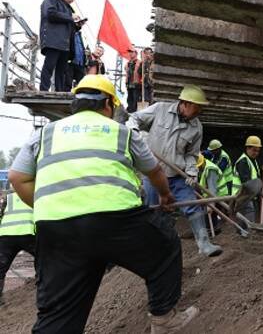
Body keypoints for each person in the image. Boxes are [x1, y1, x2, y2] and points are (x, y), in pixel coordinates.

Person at [8, 75, 198, 332]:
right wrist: (165, 196)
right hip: (117, 221)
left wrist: (49, 206)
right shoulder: (120, 132)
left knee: (59, 313)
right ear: (108, 104)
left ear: (75, 103)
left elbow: (17, 177)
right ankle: (164, 319)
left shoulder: (45, 134)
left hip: (56, 229)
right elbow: (155, 173)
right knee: (166, 246)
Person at [127, 84, 222, 257]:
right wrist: (133, 130)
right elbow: (134, 118)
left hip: (177, 175)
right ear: (184, 103)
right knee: (153, 209)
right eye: (197, 106)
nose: (199, 110)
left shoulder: (196, 127)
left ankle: (204, 244)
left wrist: (192, 172)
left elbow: (192, 155)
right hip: (153, 174)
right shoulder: (160, 110)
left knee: (192, 205)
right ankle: (153, 247)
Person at [39, 0, 85, 92]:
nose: (73, 0)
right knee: (49, 66)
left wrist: (77, 25)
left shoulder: (69, 8)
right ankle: (43, 90)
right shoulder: (51, 0)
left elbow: (69, 27)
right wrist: (70, 17)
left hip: (66, 44)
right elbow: (51, 14)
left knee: (62, 70)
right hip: (53, 40)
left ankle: (59, 91)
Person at [0, 190, 35, 306]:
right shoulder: (35, 193)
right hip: (27, 234)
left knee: (1, 268)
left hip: (6, 235)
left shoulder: (8, 197)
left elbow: (1, 214)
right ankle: (40, 286)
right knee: (43, 259)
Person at [232, 136, 263, 222]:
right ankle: (247, 233)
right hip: (242, 195)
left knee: (245, 218)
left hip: (248, 194)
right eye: (254, 150)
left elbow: (255, 178)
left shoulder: (252, 160)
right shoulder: (243, 162)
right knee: (248, 216)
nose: (256, 153)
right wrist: (258, 192)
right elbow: (247, 182)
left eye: (258, 151)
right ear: (248, 148)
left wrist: (259, 191)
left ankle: (243, 233)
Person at [196, 153, 225, 233]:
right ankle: (212, 230)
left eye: (199, 166)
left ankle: (213, 231)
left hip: (219, 194)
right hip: (211, 194)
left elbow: (213, 189)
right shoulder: (204, 166)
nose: (198, 169)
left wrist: (211, 205)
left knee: (211, 213)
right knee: (210, 215)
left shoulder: (210, 170)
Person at [125, 48, 141, 113]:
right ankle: (129, 112)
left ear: (136, 53)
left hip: (136, 84)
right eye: (130, 52)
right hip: (129, 84)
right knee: (129, 99)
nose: (130, 53)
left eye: (132, 52)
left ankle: (134, 112)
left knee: (136, 99)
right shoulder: (128, 63)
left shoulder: (139, 62)